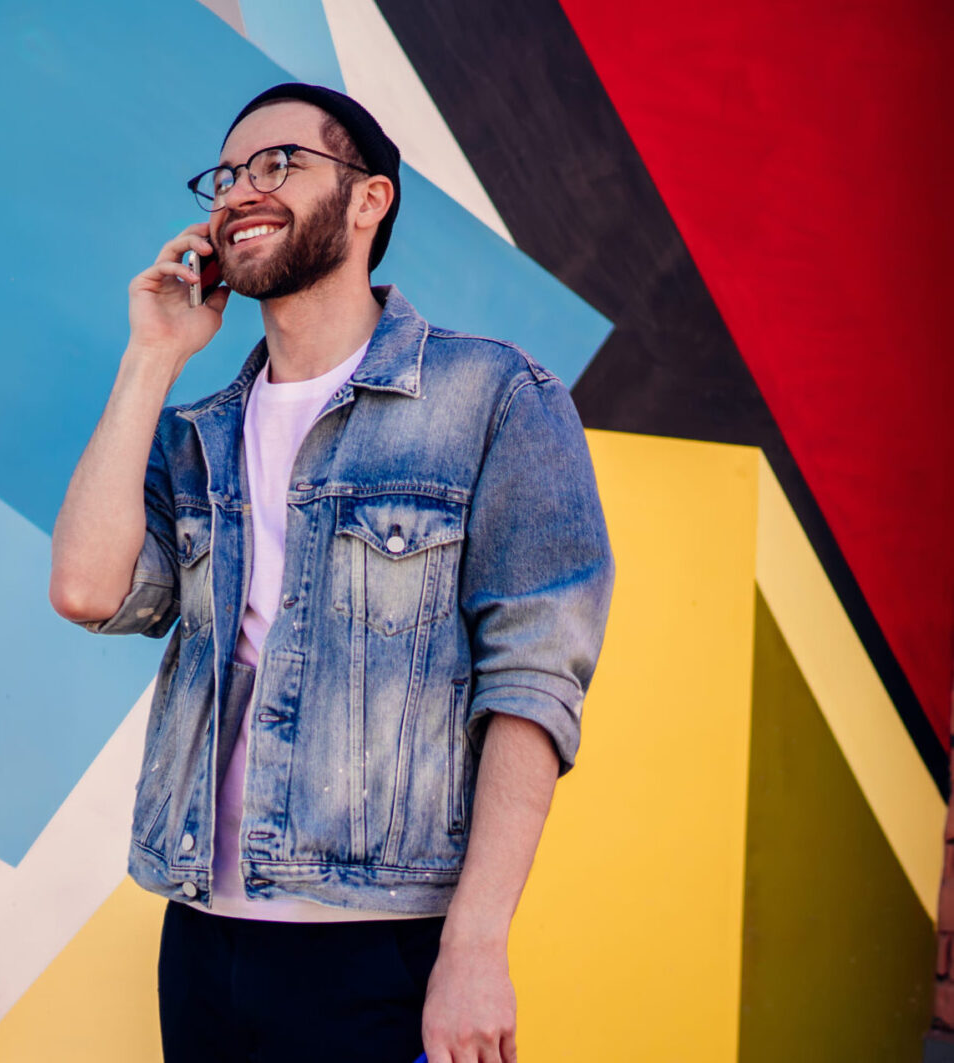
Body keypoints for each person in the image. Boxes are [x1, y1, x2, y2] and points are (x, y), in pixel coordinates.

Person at [48, 83, 613, 1063]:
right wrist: (152, 358)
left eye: (279, 164)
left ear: (368, 200)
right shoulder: (198, 436)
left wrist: (476, 944)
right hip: (203, 938)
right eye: (226, 175)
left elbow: (532, 687)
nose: (240, 191)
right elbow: (89, 591)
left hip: (380, 947)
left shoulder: (495, 397)